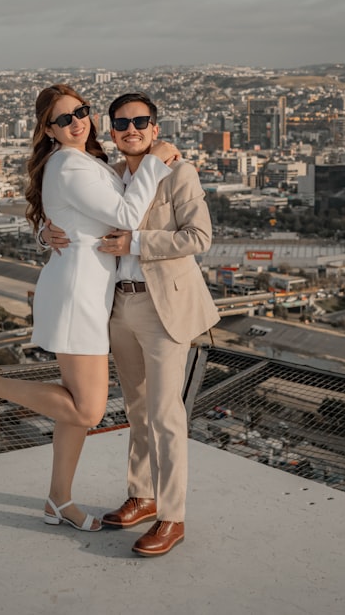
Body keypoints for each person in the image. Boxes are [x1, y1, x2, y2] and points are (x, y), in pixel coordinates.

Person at [0, 84, 179, 533]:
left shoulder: (84, 161)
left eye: (81, 112)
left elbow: (72, 219)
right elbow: (126, 216)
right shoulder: (69, 162)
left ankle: (58, 499)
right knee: (87, 411)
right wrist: (155, 161)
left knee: (73, 408)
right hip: (78, 297)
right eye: (64, 118)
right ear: (48, 130)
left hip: (84, 291)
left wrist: (45, 233)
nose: (77, 122)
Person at [42, 92, 219, 556]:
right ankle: (142, 495)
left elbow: (199, 237)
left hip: (162, 310)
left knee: (165, 414)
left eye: (141, 121)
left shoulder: (179, 172)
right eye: (121, 123)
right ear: (113, 131)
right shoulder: (111, 174)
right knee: (136, 409)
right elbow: (67, 206)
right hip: (118, 307)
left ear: (155, 129)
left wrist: (137, 243)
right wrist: (42, 229)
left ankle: (172, 517)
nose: (131, 129)